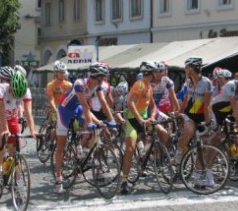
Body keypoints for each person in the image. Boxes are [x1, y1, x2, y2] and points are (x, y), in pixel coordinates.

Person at [53, 62, 115, 194]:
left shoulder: (98, 86)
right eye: (103, 77)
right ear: (97, 76)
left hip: (78, 108)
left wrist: (111, 120)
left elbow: (104, 103)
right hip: (65, 109)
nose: (105, 80)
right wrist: (89, 121)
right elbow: (85, 106)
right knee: (61, 147)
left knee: (98, 127)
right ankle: (58, 178)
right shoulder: (79, 84)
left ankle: (84, 153)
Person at [119, 61, 167, 194]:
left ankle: (151, 158)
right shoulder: (139, 85)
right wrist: (140, 119)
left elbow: (153, 106)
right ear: (150, 73)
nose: (159, 74)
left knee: (162, 133)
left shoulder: (149, 87)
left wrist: (152, 116)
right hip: (133, 120)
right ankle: (124, 180)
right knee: (130, 149)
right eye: (157, 72)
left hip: (145, 120)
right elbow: (130, 103)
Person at [0, 69, 37, 185]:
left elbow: (28, 112)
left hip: (12, 119)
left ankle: (18, 183)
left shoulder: (26, 90)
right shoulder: (0, 90)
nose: (16, 97)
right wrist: (5, 130)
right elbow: (1, 111)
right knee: (3, 137)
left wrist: (33, 131)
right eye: (14, 93)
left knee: (16, 150)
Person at [176, 57, 213, 162]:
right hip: (190, 114)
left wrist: (207, 121)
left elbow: (206, 104)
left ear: (192, 68)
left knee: (203, 145)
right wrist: (180, 111)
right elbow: (186, 98)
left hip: (202, 115)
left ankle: (198, 171)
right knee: (189, 130)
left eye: (186, 67)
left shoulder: (207, 83)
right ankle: (179, 151)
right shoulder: (188, 81)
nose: (185, 69)